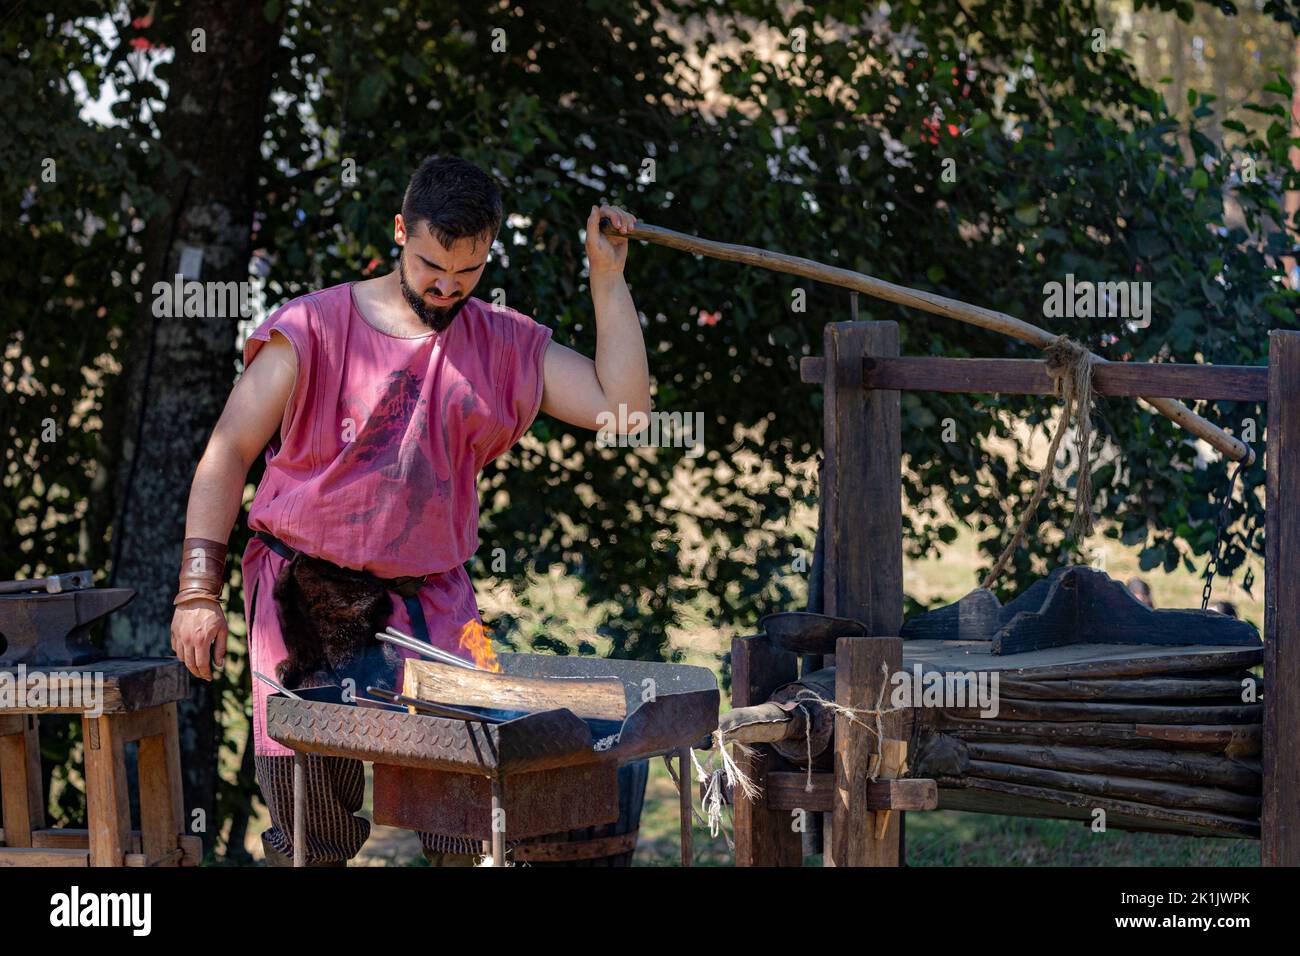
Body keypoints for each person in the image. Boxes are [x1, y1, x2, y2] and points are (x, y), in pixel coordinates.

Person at [169, 156, 650, 865]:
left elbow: (625, 410)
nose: (447, 286)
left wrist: (606, 278)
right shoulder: (312, 328)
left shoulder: (501, 340)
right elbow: (228, 450)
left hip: (431, 605)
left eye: (468, 271)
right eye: (430, 264)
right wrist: (197, 591)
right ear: (400, 230)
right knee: (311, 829)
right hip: (301, 593)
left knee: (467, 815)